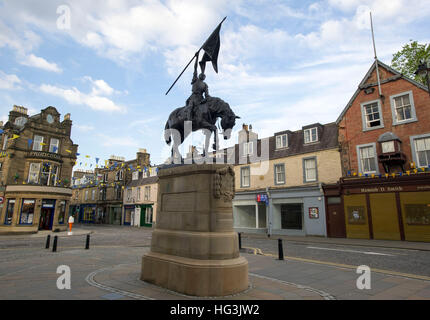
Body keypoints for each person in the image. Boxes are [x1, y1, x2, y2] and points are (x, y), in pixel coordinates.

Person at [186, 52, 210, 120]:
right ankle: (188, 122)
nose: (203, 75)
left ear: (204, 78)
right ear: (199, 76)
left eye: (204, 75)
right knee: (189, 108)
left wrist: (207, 99)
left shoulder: (205, 85)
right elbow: (195, 68)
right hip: (193, 97)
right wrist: (197, 58)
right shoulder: (195, 79)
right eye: (201, 74)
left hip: (200, 99)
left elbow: (207, 95)